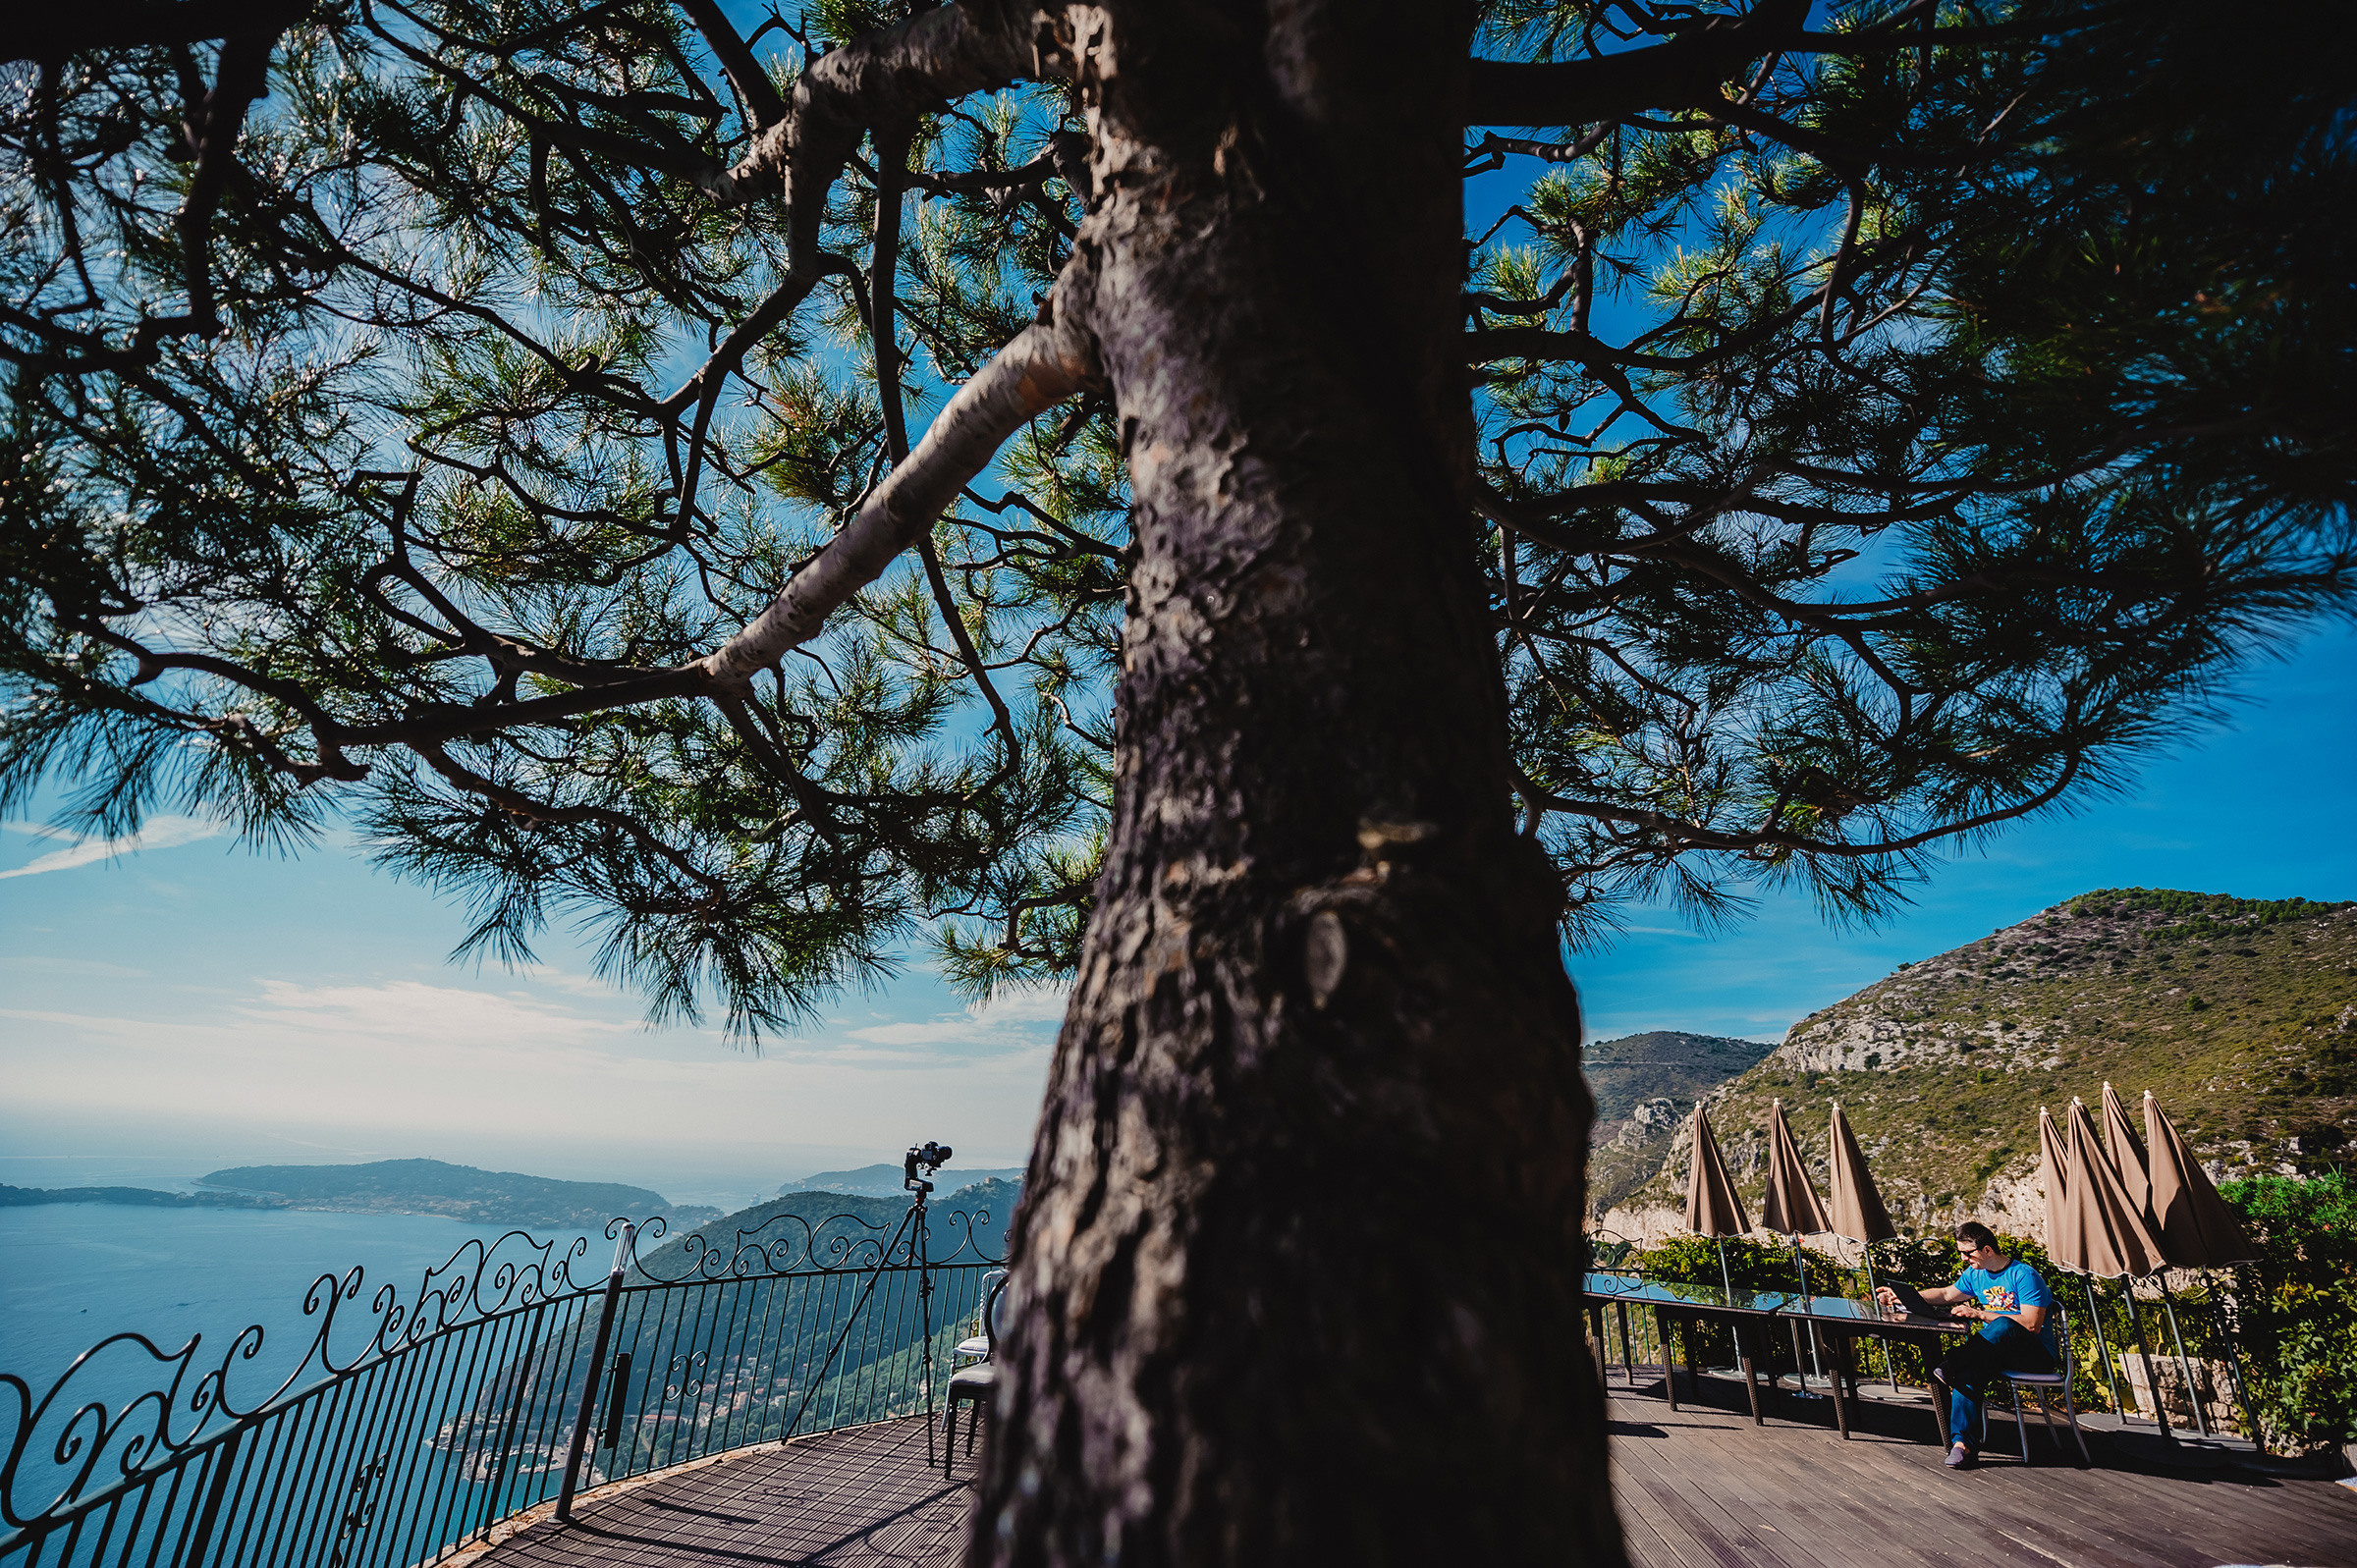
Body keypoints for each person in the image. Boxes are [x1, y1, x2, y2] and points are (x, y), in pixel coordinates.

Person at [1876, 1221, 2056, 1469]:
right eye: (1960, 1253)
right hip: (1995, 1352)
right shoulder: (1976, 1274)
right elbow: (1947, 1295)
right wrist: (1906, 1297)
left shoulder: (2024, 1275)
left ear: (1988, 1250)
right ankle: (1962, 1445)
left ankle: (1952, 1363)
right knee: (1969, 1371)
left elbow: (2031, 1324)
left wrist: (1981, 1314)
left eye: (1968, 1253)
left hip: (2035, 1354)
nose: (1963, 1258)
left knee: (2003, 1325)